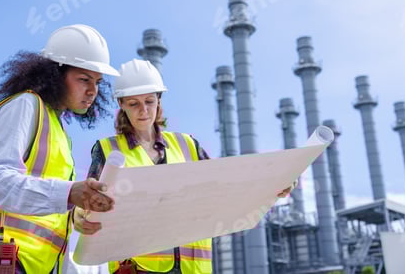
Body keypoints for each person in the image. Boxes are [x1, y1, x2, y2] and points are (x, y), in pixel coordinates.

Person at [80, 59, 296, 274]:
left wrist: (272, 187)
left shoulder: (188, 145)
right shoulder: (108, 150)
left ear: (159, 99)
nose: (143, 111)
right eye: (134, 104)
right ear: (122, 104)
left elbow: (228, 188)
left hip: (193, 268)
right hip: (138, 269)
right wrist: (80, 215)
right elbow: (87, 202)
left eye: (149, 101)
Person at [0, 24, 119, 274]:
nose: (93, 90)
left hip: (33, 266)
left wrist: (76, 217)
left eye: (97, 82)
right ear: (53, 75)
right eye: (84, 79)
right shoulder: (26, 105)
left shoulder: (58, 130)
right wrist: (71, 193)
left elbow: (47, 204)